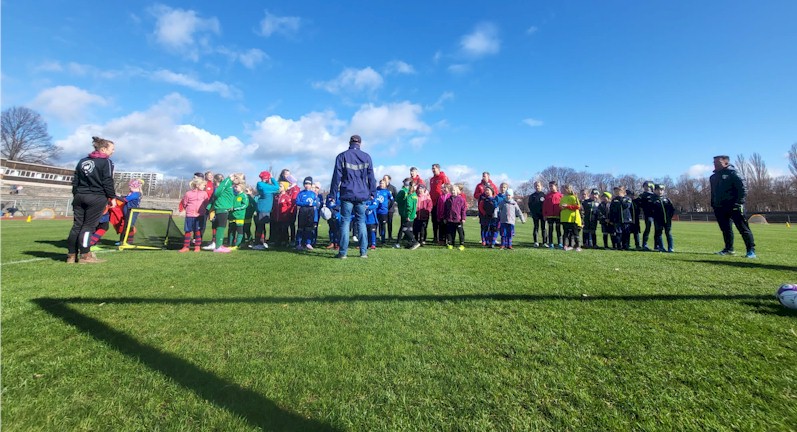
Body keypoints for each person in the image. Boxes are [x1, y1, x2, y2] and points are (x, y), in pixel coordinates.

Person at [66, 136, 117, 264]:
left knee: (77, 226)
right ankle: (85, 255)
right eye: (112, 149)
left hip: (79, 196)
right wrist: (112, 197)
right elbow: (107, 181)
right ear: (104, 149)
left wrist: (76, 195)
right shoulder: (106, 162)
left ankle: (71, 256)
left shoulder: (82, 161)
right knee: (89, 226)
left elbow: (75, 181)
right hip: (96, 197)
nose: (113, 152)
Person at [330, 135, 377, 259]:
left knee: (345, 222)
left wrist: (333, 194)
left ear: (349, 142)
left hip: (347, 193)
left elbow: (336, 177)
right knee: (361, 222)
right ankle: (363, 252)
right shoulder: (366, 157)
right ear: (360, 143)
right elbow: (371, 177)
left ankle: (343, 253)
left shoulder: (342, 156)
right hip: (362, 194)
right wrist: (373, 193)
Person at [710, 155, 756, 258]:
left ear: (726, 163)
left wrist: (739, 203)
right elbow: (713, 192)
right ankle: (729, 249)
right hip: (720, 207)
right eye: (714, 163)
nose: (715, 165)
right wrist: (713, 204)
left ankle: (751, 251)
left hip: (734, 206)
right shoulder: (713, 177)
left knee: (743, 228)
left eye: (718, 163)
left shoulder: (733, 173)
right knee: (725, 229)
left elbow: (743, 188)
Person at [178, 177, 209, 252]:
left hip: (200, 215)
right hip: (190, 215)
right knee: (188, 231)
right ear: (198, 185)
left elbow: (206, 203)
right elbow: (185, 203)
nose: (204, 187)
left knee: (198, 230)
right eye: (203, 185)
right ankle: (186, 247)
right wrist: (187, 210)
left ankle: (197, 246)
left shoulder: (204, 194)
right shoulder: (188, 193)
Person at [253, 171, 279, 250]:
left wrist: (271, 179)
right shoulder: (260, 184)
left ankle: (262, 242)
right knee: (260, 226)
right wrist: (272, 179)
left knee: (263, 226)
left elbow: (276, 187)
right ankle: (258, 243)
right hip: (262, 208)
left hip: (266, 209)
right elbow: (276, 187)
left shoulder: (267, 186)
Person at [394, 180, 421, 250]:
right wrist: (414, 213)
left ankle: (415, 242)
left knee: (404, 229)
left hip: (408, 215)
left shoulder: (409, 196)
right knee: (409, 228)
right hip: (413, 214)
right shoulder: (415, 195)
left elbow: (409, 206)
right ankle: (410, 244)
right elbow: (415, 205)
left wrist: (408, 215)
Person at [295, 176, 319, 251]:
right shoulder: (301, 193)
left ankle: (308, 243)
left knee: (309, 227)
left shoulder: (313, 194)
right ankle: (298, 243)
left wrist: (312, 204)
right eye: (305, 183)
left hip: (311, 211)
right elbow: (297, 202)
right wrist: (305, 203)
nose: (307, 185)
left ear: (311, 185)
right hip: (303, 211)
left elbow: (316, 203)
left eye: (308, 184)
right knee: (301, 228)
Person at [428, 164, 451, 244]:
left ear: (438, 168)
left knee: (442, 221)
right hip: (433, 203)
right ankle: (435, 237)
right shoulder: (431, 179)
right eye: (432, 168)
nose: (433, 170)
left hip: (441, 202)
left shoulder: (443, 177)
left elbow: (448, 187)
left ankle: (444, 238)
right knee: (434, 221)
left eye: (434, 168)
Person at [651, 184, 675, 252]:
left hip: (667, 220)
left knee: (668, 233)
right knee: (659, 233)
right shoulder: (652, 199)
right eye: (658, 190)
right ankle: (661, 247)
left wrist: (669, 217)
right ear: (655, 190)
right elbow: (650, 210)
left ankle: (670, 248)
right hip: (658, 220)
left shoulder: (667, 199)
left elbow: (672, 209)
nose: (660, 191)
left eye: (661, 190)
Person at [609, 186, 634, 250]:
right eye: (616, 191)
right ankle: (619, 246)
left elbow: (626, 206)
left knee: (626, 233)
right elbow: (611, 210)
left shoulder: (628, 199)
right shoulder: (614, 200)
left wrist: (621, 199)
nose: (617, 193)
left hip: (626, 220)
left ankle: (626, 246)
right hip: (617, 220)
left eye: (619, 191)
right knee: (618, 233)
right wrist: (611, 219)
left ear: (623, 192)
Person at [443, 184, 467, 250]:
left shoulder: (461, 199)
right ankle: (450, 244)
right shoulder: (448, 200)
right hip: (450, 219)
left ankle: (462, 244)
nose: (453, 192)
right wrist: (445, 217)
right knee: (450, 232)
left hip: (458, 220)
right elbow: (445, 210)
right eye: (451, 190)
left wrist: (463, 218)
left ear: (457, 191)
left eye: (454, 190)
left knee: (460, 232)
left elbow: (463, 210)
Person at [560, 184, 582, 251]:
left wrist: (567, 206)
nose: (561, 190)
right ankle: (566, 245)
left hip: (572, 218)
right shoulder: (563, 197)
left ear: (567, 189)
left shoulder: (573, 197)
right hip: (564, 218)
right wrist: (561, 207)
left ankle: (578, 246)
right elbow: (560, 206)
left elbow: (578, 207)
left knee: (575, 232)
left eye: (562, 189)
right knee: (565, 232)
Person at [228, 180, 250, 250]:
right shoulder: (234, 196)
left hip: (239, 216)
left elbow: (245, 205)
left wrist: (235, 208)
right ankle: (230, 244)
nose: (235, 188)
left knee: (239, 231)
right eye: (234, 187)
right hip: (232, 216)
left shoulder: (244, 196)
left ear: (242, 187)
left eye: (236, 187)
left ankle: (238, 245)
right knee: (231, 231)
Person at [542, 181, 563, 248]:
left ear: (556, 186)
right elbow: (544, 206)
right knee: (550, 230)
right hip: (549, 215)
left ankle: (560, 243)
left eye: (552, 186)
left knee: (558, 229)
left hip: (558, 215)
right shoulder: (547, 196)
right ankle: (551, 243)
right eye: (550, 186)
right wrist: (544, 215)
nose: (551, 187)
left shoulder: (560, 195)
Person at [637, 181, 657, 251]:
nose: (646, 188)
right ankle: (644, 244)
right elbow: (638, 204)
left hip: (656, 215)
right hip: (648, 215)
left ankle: (656, 245)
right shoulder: (642, 195)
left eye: (647, 186)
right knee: (647, 229)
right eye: (644, 186)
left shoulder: (655, 195)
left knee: (657, 230)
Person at [527, 181, 546, 247]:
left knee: (543, 228)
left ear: (541, 186)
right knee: (536, 227)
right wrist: (533, 212)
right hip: (535, 215)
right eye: (536, 186)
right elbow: (530, 205)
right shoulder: (532, 196)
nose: (537, 187)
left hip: (543, 214)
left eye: (538, 186)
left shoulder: (544, 195)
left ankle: (544, 242)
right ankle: (536, 242)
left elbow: (546, 205)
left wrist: (545, 213)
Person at [375, 178, 394, 244]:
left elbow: (392, 200)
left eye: (382, 183)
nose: (381, 184)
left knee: (383, 225)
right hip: (376, 211)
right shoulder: (376, 191)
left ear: (385, 184)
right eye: (380, 183)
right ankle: (374, 239)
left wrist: (388, 207)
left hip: (384, 212)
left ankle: (383, 239)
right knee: (375, 225)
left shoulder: (387, 192)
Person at [382, 175, 398, 240]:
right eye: (383, 178)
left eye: (385, 178)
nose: (384, 179)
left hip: (390, 209)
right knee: (382, 223)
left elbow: (396, 197)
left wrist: (392, 203)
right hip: (382, 209)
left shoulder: (393, 188)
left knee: (389, 222)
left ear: (389, 179)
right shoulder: (380, 187)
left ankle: (390, 236)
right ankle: (382, 236)